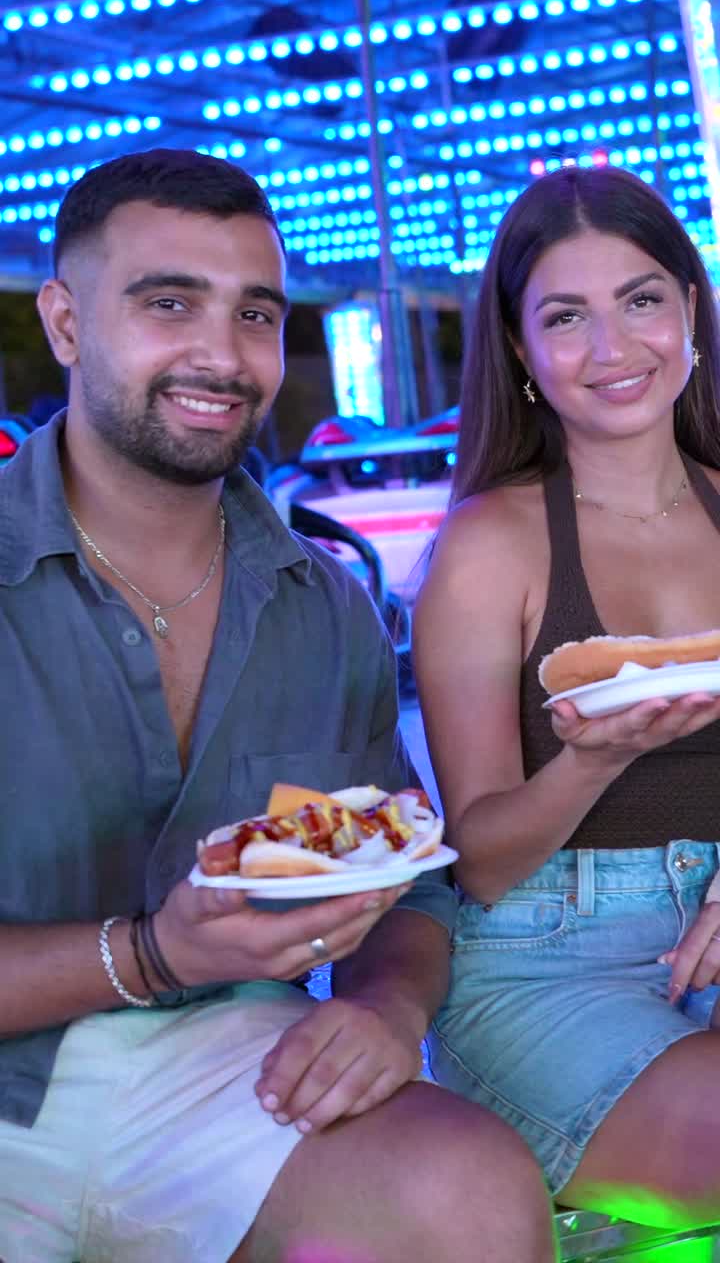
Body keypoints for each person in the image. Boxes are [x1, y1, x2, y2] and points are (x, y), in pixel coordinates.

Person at [0, 148, 557, 1263]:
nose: (222, 352)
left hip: (230, 1055)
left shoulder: (329, 602)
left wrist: (388, 1009)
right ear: (64, 321)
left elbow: (406, 878)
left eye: (255, 312)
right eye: (169, 303)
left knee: (479, 1197)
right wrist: (152, 951)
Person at [413, 163, 720, 1231]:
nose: (614, 347)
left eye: (640, 299)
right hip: (547, 953)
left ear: (689, 308)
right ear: (521, 350)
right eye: (566, 316)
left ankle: (617, 1222)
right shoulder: (490, 544)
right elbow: (484, 856)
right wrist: (597, 755)